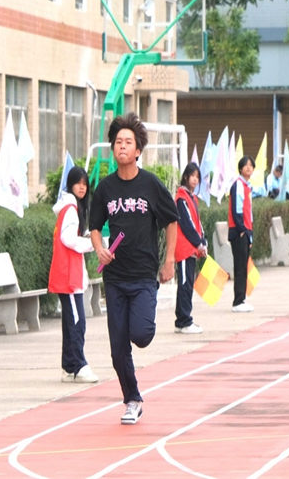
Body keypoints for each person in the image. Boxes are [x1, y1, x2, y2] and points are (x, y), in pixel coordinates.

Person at [90, 113, 179, 425]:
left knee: (140, 335)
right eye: (118, 142)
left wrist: (169, 260)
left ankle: (138, 327)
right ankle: (132, 399)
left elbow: (171, 221)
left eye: (128, 142)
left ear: (138, 150)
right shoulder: (105, 189)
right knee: (118, 350)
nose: (122, 146)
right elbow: (94, 227)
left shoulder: (150, 185)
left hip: (143, 275)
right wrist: (100, 249)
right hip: (115, 278)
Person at [48, 166, 98, 384]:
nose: (82, 187)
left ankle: (69, 366)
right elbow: (68, 239)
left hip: (69, 274)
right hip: (68, 275)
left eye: (85, 183)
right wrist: (91, 244)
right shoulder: (70, 209)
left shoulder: (70, 207)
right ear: (70, 185)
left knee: (72, 322)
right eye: (78, 183)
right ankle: (79, 365)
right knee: (77, 322)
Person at [174, 163, 207, 334]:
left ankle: (182, 320)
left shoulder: (192, 198)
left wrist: (203, 241)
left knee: (187, 284)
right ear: (186, 177)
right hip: (184, 249)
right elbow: (187, 224)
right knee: (185, 285)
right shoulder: (181, 198)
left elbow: (197, 223)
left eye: (197, 177)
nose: (195, 179)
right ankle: (184, 321)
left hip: (192, 249)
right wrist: (198, 243)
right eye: (192, 176)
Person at [229, 155, 256, 313]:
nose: (248, 168)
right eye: (246, 165)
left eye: (251, 165)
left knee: (244, 266)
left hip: (246, 231)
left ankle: (242, 298)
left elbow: (248, 212)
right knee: (240, 267)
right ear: (240, 168)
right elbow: (236, 210)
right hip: (239, 231)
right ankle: (238, 301)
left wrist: (250, 233)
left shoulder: (247, 186)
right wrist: (242, 230)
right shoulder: (238, 185)